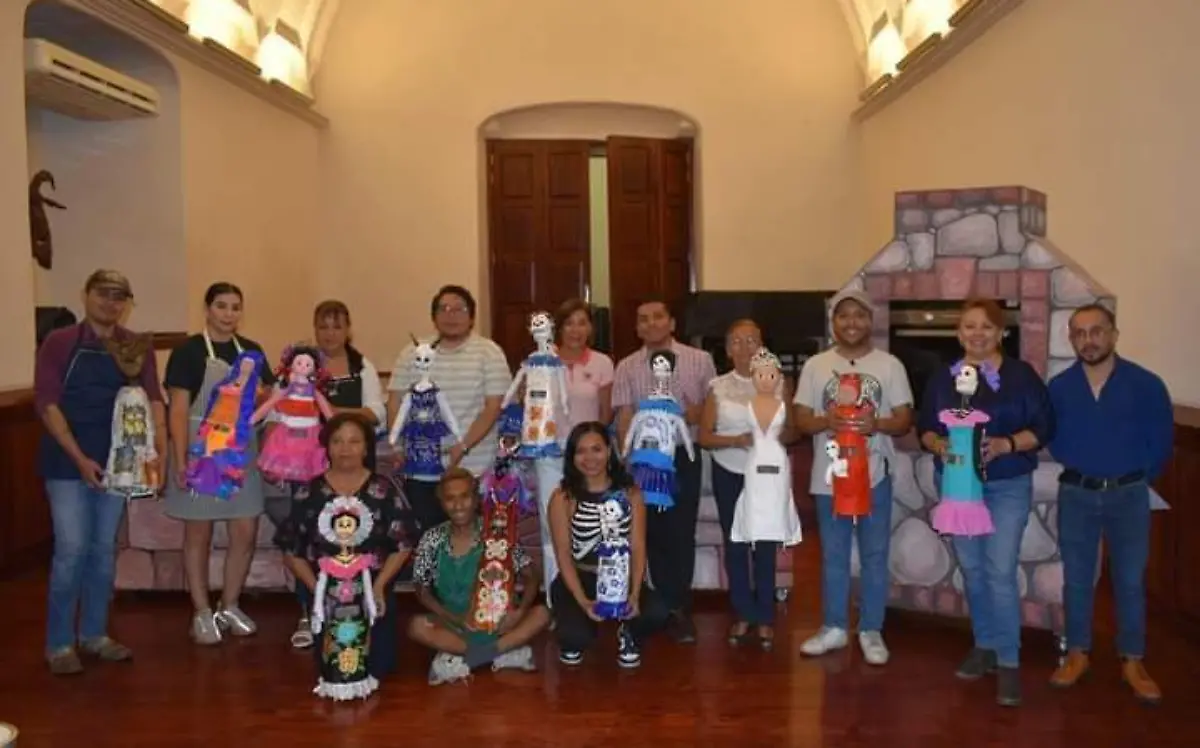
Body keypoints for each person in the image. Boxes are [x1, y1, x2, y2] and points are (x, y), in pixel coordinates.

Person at [917, 298, 1054, 707]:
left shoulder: (1022, 376)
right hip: (959, 485)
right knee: (973, 569)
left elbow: (1045, 427)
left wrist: (1006, 444)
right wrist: (939, 445)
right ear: (958, 333)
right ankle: (985, 645)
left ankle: (1009, 660)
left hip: (1007, 485)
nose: (978, 334)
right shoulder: (943, 378)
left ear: (1001, 332)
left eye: (986, 326)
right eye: (969, 326)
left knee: (999, 570)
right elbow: (926, 428)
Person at [35, 270, 166, 674]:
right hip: (66, 463)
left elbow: (154, 399)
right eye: (103, 294)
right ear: (86, 295)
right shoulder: (60, 342)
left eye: (119, 296)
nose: (111, 302)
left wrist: (158, 453)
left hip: (119, 466)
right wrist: (78, 458)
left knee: (103, 551)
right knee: (71, 550)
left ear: (127, 303)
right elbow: (47, 403)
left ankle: (94, 634)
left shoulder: (135, 346)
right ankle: (59, 643)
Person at [1047, 304, 1173, 703]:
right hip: (1077, 494)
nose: (1089, 340)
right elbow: (1053, 436)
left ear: (1114, 334)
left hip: (1128, 495)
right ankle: (1078, 653)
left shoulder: (1146, 384)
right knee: (1077, 579)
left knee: (1130, 580)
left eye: (1097, 331)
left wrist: (1133, 476)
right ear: (1072, 340)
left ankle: (1133, 660)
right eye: (1080, 333)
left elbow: (1162, 442)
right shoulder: (1060, 387)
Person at [793, 290, 913, 666]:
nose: (851, 323)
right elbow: (801, 418)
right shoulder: (816, 366)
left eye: (859, 315)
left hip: (875, 475)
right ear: (833, 322)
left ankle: (871, 629)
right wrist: (825, 420)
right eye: (843, 315)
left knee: (875, 554)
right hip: (829, 476)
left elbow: (904, 419)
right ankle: (834, 627)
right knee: (834, 554)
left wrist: (876, 423)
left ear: (870, 320)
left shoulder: (890, 365)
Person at [162, 282, 275, 645]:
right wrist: (181, 459)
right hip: (201, 451)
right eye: (221, 306)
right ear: (207, 309)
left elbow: (268, 400)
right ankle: (201, 610)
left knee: (245, 530)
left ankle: (230, 604)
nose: (229, 314)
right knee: (199, 532)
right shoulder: (188, 352)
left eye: (235, 307)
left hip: (241, 452)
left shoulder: (253, 351)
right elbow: (178, 410)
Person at [275, 413, 414, 694]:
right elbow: (291, 550)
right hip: (327, 591)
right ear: (327, 446)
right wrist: (319, 591)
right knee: (334, 669)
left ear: (366, 447)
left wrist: (379, 587)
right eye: (337, 441)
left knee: (379, 666)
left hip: (372, 591)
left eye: (354, 441)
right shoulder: (309, 492)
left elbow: (404, 544)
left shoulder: (384, 489)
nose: (345, 449)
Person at [282, 300, 388, 649]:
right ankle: (307, 609)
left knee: (356, 534)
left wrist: (332, 412)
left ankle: (360, 602)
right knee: (308, 539)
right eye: (323, 326)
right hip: (306, 463)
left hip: (354, 464)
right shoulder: (301, 365)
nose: (330, 333)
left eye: (337, 326)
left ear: (348, 329)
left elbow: (376, 413)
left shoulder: (362, 366)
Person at [611, 298, 715, 643]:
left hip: (683, 454)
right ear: (637, 328)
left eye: (658, 317)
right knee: (649, 530)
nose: (651, 324)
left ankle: (679, 608)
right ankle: (652, 605)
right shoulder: (627, 366)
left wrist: (685, 413)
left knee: (680, 531)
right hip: (645, 458)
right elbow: (624, 416)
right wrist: (626, 462)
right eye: (643, 319)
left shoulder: (699, 360)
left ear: (671, 323)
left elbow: (710, 408)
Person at [407, 466, 550, 684]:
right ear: (442, 503)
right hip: (457, 625)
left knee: (542, 614)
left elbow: (532, 576)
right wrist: (452, 618)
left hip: (500, 624)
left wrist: (519, 612)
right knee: (416, 626)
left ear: (476, 500)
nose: (458, 505)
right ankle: (501, 653)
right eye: (450, 499)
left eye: (464, 497)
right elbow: (421, 588)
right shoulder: (432, 539)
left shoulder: (498, 532)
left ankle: (466, 658)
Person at [387, 285, 511, 536]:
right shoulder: (414, 352)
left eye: (459, 309)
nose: (451, 315)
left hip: (473, 467)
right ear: (433, 317)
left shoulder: (489, 352)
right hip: (421, 468)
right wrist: (397, 446)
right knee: (428, 538)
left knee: (474, 540)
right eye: (444, 309)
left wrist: (462, 447)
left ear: (472, 317)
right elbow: (395, 401)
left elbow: (493, 407)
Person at [699, 319, 791, 649]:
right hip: (728, 470)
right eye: (737, 341)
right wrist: (736, 440)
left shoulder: (779, 384)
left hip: (766, 472)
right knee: (735, 542)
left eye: (752, 340)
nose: (745, 347)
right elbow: (705, 437)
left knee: (764, 542)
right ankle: (742, 612)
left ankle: (765, 615)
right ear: (727, 349)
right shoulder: (718, 387)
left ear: (762, 346)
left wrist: (770, 438)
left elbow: (794, 431)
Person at [549, 421, 669, 667]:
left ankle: (629, 633)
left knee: (658, 612)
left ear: (609, 450)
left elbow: (638, 547)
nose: (589, 458)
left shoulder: (631, 493)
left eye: (596, 449)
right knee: (574, 637)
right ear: (572, 457)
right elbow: (563, 554)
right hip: (581, 576)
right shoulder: (562, 497)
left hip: (622, 577)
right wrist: (583, 601)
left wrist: (634, 594)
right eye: (581, 451)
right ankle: (580, 629)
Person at [554, 298, 615, 431]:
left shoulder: (603, 363)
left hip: (587, 441)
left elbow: (606, 414)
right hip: (549, 441)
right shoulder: (545, 362)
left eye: (582, 323)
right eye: (569, 323)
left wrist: (592, 438)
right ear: (560, 329)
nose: (575, 330)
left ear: (590, 328)